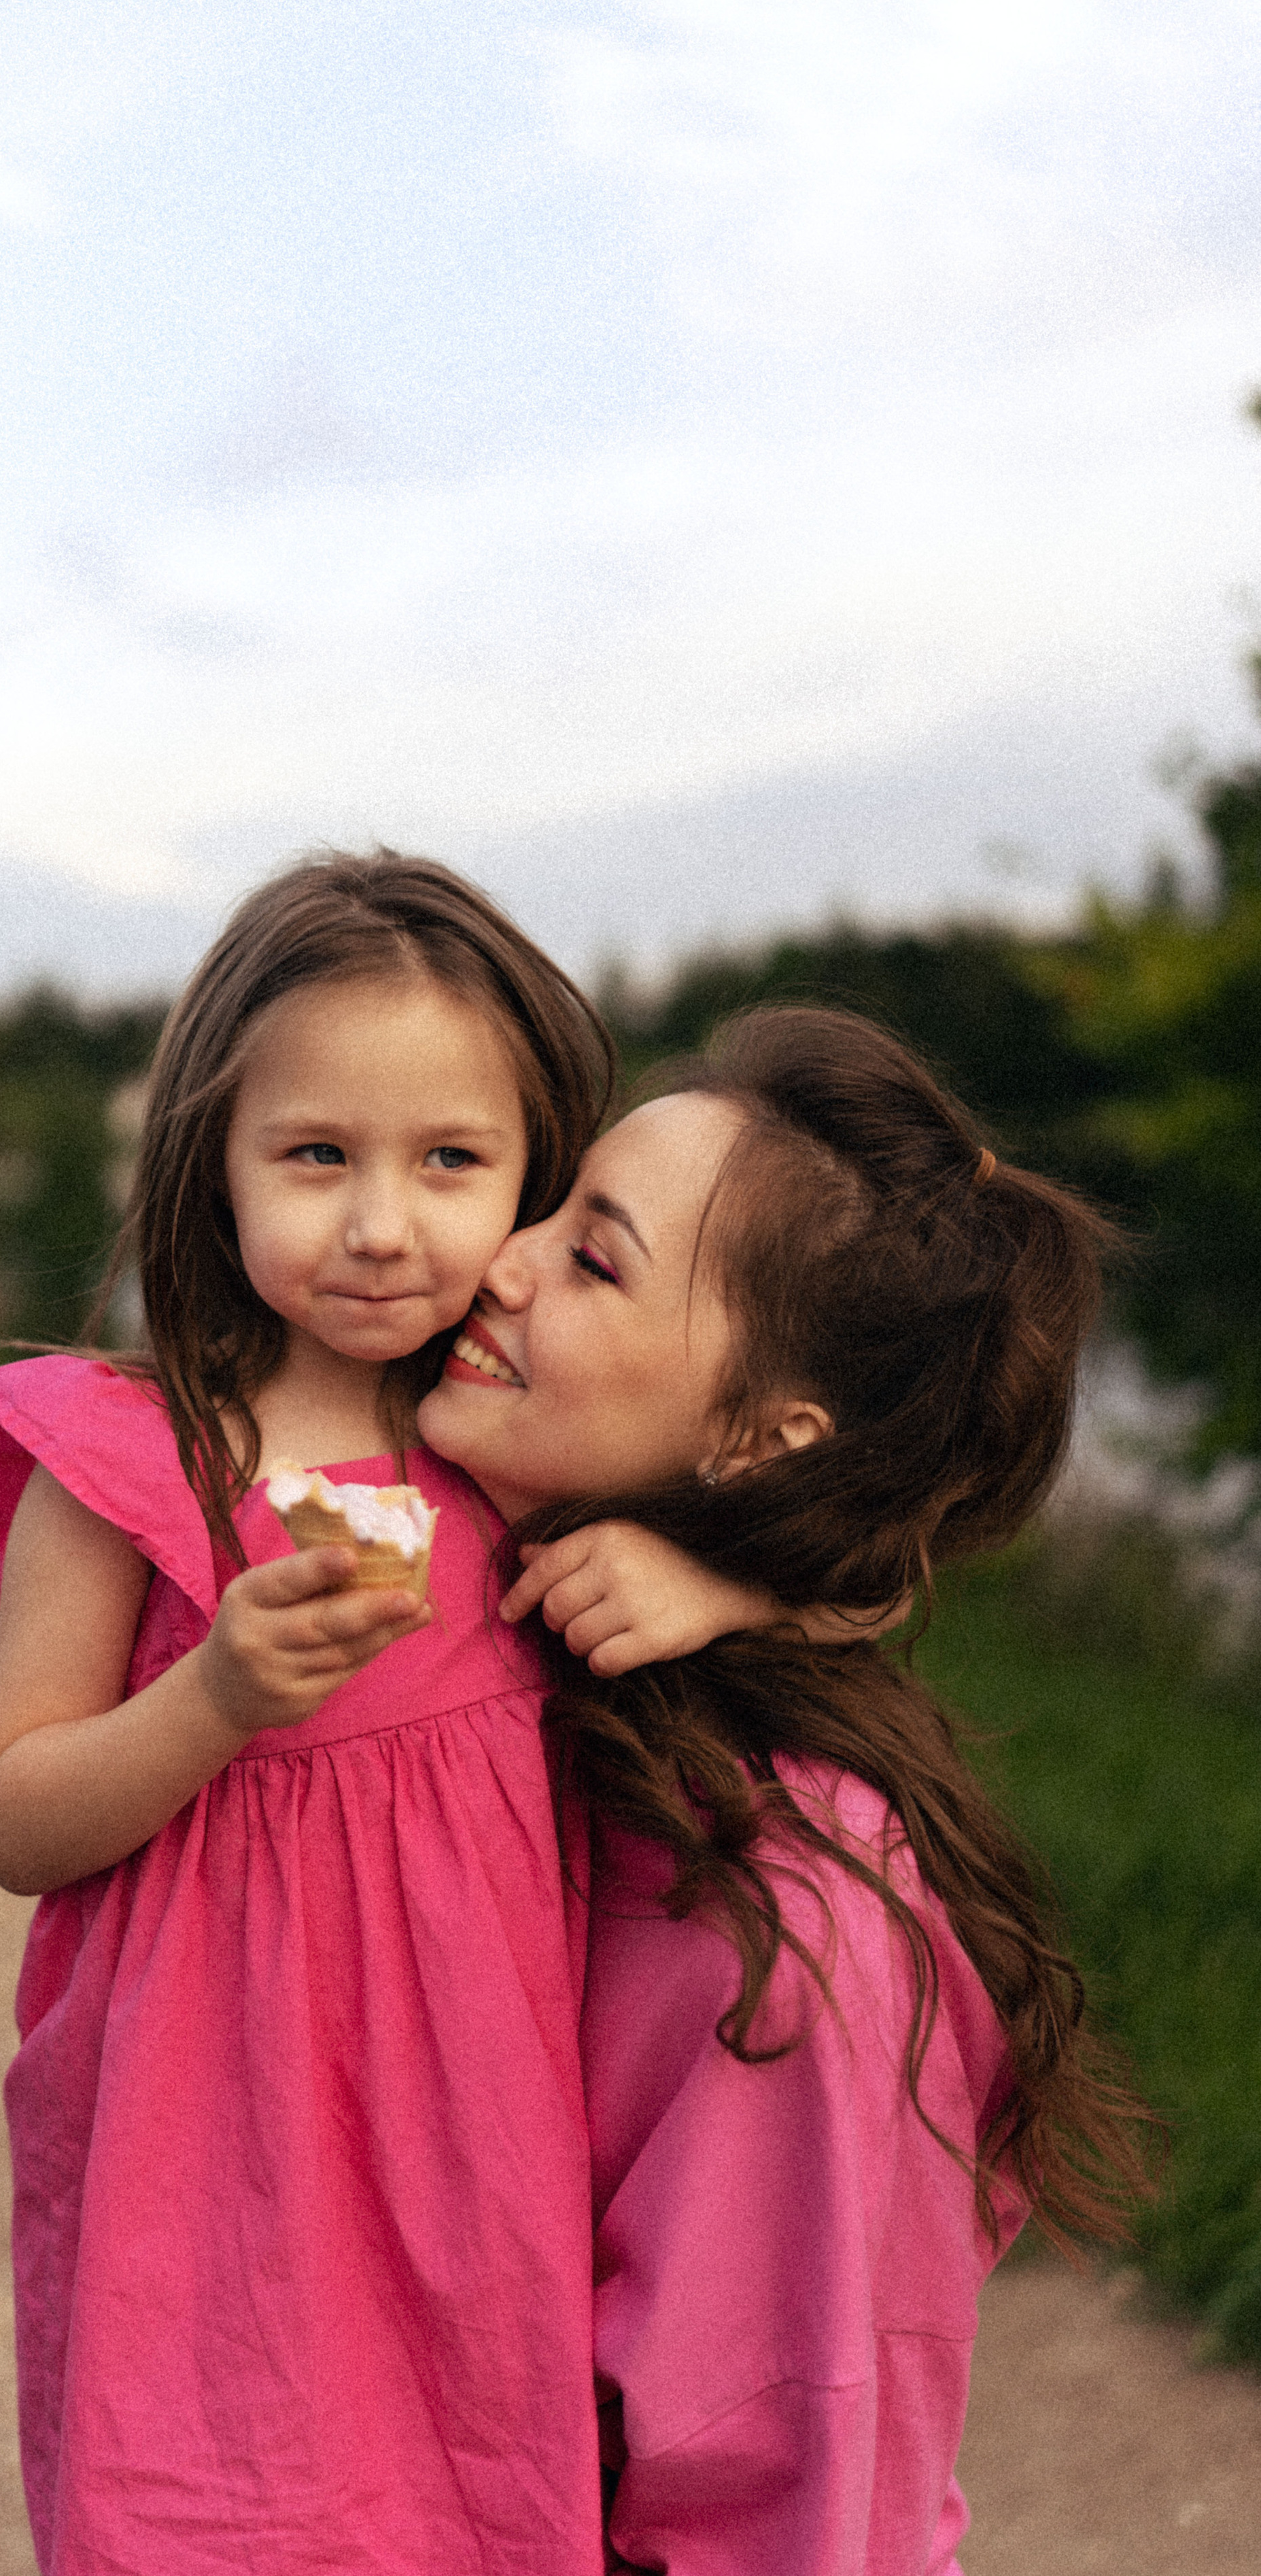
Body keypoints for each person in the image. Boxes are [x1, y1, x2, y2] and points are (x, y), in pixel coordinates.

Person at [0, 852, 777, 2576]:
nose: (382, 1224)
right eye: (315, 1156)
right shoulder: (128, 1462)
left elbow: (879, 1537)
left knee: (457, 2509)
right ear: (213, 1162)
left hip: (471, 2150)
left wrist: (728, 1584)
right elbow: (14, 1818)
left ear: (532, 1173)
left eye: (450, 1162)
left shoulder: (505, 1439)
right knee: (204, 2513)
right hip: (200, 2143)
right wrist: (216, 1692)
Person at [418, 1005, 1158, 2576]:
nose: (496, 1257)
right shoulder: (461, 1605)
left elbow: (793, 2489)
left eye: (593, 1257)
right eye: (548, 1204)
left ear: (764, 1437)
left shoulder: (774, 1907)